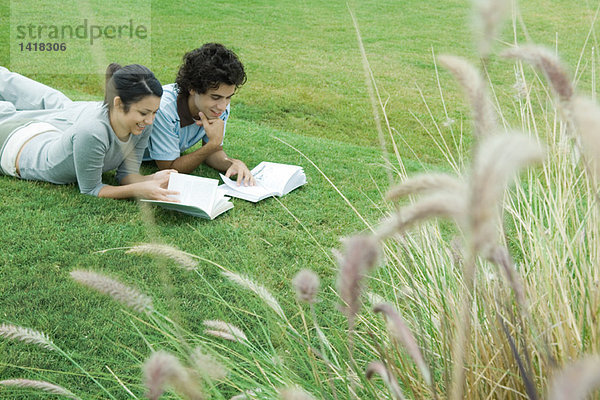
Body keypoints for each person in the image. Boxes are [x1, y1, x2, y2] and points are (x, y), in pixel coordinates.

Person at [0, 64, 179, 200]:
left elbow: (125, 175)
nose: (150, 120)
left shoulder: (142, 125)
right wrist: (139, 190)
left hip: (46, 132)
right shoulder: (93, 132)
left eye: (155, 112)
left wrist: (152, 177)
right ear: (118, 103)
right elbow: (91, 189)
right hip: (11, 147)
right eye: (144, 113)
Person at [143, 43, 255, 186]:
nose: (223, 106)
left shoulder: (219, 107)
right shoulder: (163, 109)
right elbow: (169, 168)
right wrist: (212, 144)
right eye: (215, 97)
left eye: (229, 97)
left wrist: (232, 164)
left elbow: (213, 154)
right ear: (192, 88)